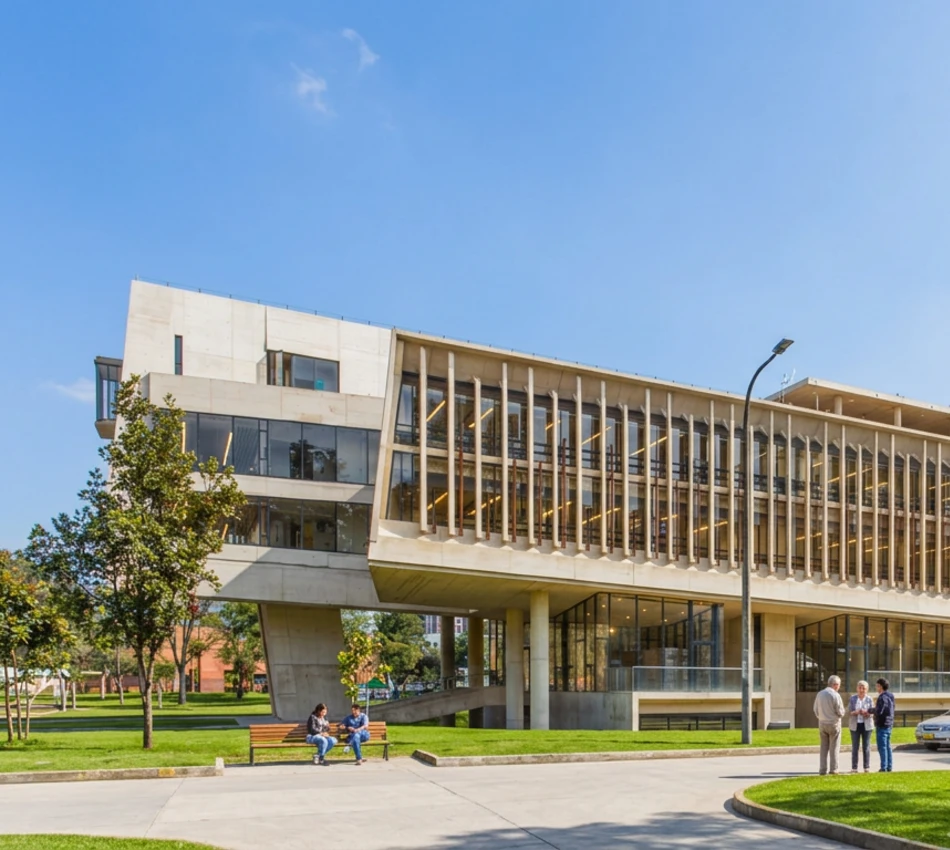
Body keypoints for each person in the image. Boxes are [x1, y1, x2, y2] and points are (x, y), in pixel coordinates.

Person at [814, 674, 846, 775]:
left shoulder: (820, 694)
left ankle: (822, 769)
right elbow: (840, 711)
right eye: (839, 685)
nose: (839, 687)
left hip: (822, 723)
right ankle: (834, 769)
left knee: (823, 748)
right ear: (835, 685)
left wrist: (821, 717)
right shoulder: (835, 695)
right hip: (833, 723)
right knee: (834, 747)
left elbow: (815, 709)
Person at [848, 680, 874, 773]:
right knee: (855, 746)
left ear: (867, 689)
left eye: (864, 688)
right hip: (855, 725)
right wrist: (856, 712)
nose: (861, 690)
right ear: (857, 688)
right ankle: (854, 768)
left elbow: (872, 713)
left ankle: (866, 767)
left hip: (866, 725)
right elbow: (849, 711)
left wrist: (867, 713)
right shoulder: (852, 698)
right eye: (860, 687)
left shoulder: (869, 699)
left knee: (866, 746)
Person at [874, 677, 896, 772]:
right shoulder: (891, 696)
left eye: (877, 686)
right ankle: (889, 766)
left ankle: (883, 767)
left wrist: (869, 711)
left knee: (882, 747)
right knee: (887, 746)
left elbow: (880, 711)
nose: (876, 688)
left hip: (882, 724)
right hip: (889, 723)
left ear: (880, 686)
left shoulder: (882, 697)